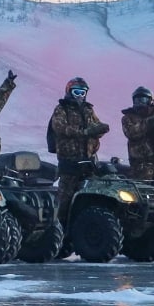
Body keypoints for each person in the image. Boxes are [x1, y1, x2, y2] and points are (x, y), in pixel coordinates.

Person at [48, 77, 110, 223]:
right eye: (76, 92)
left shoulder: (89, 110)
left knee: (91, 197)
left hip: (89, 161)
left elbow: (97, 125)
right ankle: (57, 230)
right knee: (64, 200)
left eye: (83, 92)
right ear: (69, 92)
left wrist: (100, 129)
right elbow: (60, 128)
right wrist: (85, 132)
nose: (80, 96)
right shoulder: (62, 109)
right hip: (70, 161)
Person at [120, 86, 154, 181]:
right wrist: (148, 123)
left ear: (150, 100)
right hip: (141, 164)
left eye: (143, 99)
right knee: (145, 190)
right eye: (137, 100)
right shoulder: (128, 117)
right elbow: (131, 133)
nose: (140, 103)